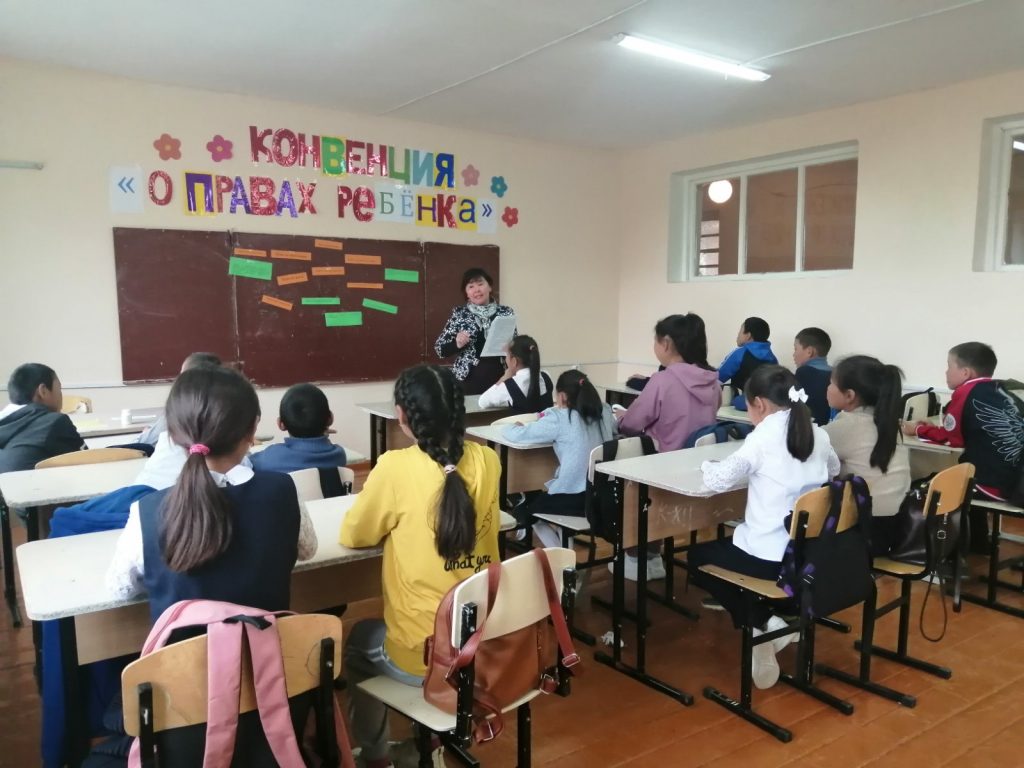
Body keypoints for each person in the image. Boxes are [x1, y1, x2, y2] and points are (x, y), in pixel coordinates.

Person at [340, 365, 500, 768]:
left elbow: (355, 534)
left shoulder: (395, 467)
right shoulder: (488, 460)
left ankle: (376, 755)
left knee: (356, 641)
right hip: (483, 648)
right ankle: (427, 742)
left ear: (401, 416)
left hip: (423, 658)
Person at [106, 366, 316, 621]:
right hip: (265, 645)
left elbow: (120, 589)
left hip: (182, 648)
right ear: (252, 431)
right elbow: (308, 550)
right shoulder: (283, 491)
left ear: (173, 435)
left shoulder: (147, 511)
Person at [687, 365, 840, 690]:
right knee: (726, 549)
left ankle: (762, 623)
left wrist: (707, 464)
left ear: (759, 404)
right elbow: (834, 470)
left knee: (696, 558)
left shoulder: (763, 437)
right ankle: (765, 625)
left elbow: (720, 480)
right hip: (805, 554)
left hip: (767, 558)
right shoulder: (819, 433)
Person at [903, 342, 1024, 552]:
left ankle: (945, 554)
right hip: (1016, 483)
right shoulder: (1005, 390)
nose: (946, 372)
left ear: (966, 372)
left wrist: (919, 430)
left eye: (949, 366)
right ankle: (979, 544)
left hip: (993, 485)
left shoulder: (967, 391)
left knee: (932, 486)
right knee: (966, 478)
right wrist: (934, 428)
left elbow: (952, 440)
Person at [502, 370, 615, 547]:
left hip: (573, 498)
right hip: (603, 497)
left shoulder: (560, 419)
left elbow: (518, 434)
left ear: (561, 396)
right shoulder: (605, 411)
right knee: (547, 500)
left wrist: (511, 426)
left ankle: (563, 558)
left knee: (527, 510)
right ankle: (564, 551)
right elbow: (615, 429)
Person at [825, 355, 910, 555]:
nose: (827, 388)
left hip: (864, 532)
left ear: (849, 395)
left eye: (831, 383)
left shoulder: (848, 426)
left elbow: (805, 448)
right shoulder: (887, 422)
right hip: (897, 525)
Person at [434, 267, 515, 395]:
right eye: (471, 286)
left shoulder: (506, 312)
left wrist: (511, 346)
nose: (477, 290)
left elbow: (515, 342)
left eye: (480, 284)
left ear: (489, 287)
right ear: (466, 293)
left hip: (501, 378)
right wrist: (457, 344)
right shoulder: (460, 314)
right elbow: (440, 349)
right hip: (469, 379)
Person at [0, 363, 84, 474]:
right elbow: (87, 461)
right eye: (59, 389)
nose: (61, 395)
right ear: (43, 391)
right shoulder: (54, 422)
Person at [250, 383, 347, 473]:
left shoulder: (271, 457)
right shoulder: (339, 455)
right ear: (331, 419)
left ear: (281, 424)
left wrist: (251, 442)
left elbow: (245, 463)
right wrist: (319, 429)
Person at [134, 352, 223, 448]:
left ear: (185, 377)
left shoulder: (179, 412)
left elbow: (140, 444)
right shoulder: (224, 409)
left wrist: (146, 433)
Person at [477, 334, 553, 414]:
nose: (506, 359)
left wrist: (504, 377)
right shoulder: (546, 376)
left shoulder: (509, 386)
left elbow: (482, 402)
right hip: (548, 422)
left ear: (514, 361)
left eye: (507, 356)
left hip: (521, 422)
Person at [718, 317, 778, 410]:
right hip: (768, 406)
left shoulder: (740, 353)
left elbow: (717, 378)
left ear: (748, 335)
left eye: (740, 331)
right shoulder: (773, 358)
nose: (737, 335)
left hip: (745, 405)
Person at [793, 327, 833, 426]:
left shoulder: (804, 372)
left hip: (810, 428)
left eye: (795, 349)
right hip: (829, 426)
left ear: (809, 351)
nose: (793, 354)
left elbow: (794, 403)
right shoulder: (835, 372)